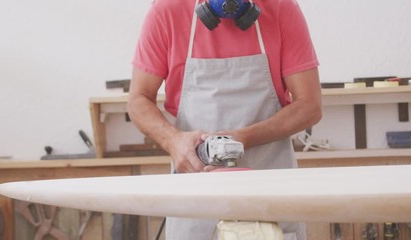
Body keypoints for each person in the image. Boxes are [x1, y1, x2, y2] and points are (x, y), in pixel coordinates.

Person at [128, 0, 322, 239]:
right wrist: (173, 141)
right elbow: (138, 100)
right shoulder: (167, 10)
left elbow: (309, 105)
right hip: (196, 195)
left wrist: (242, 138)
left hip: (268, 189)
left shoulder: (281, 8)